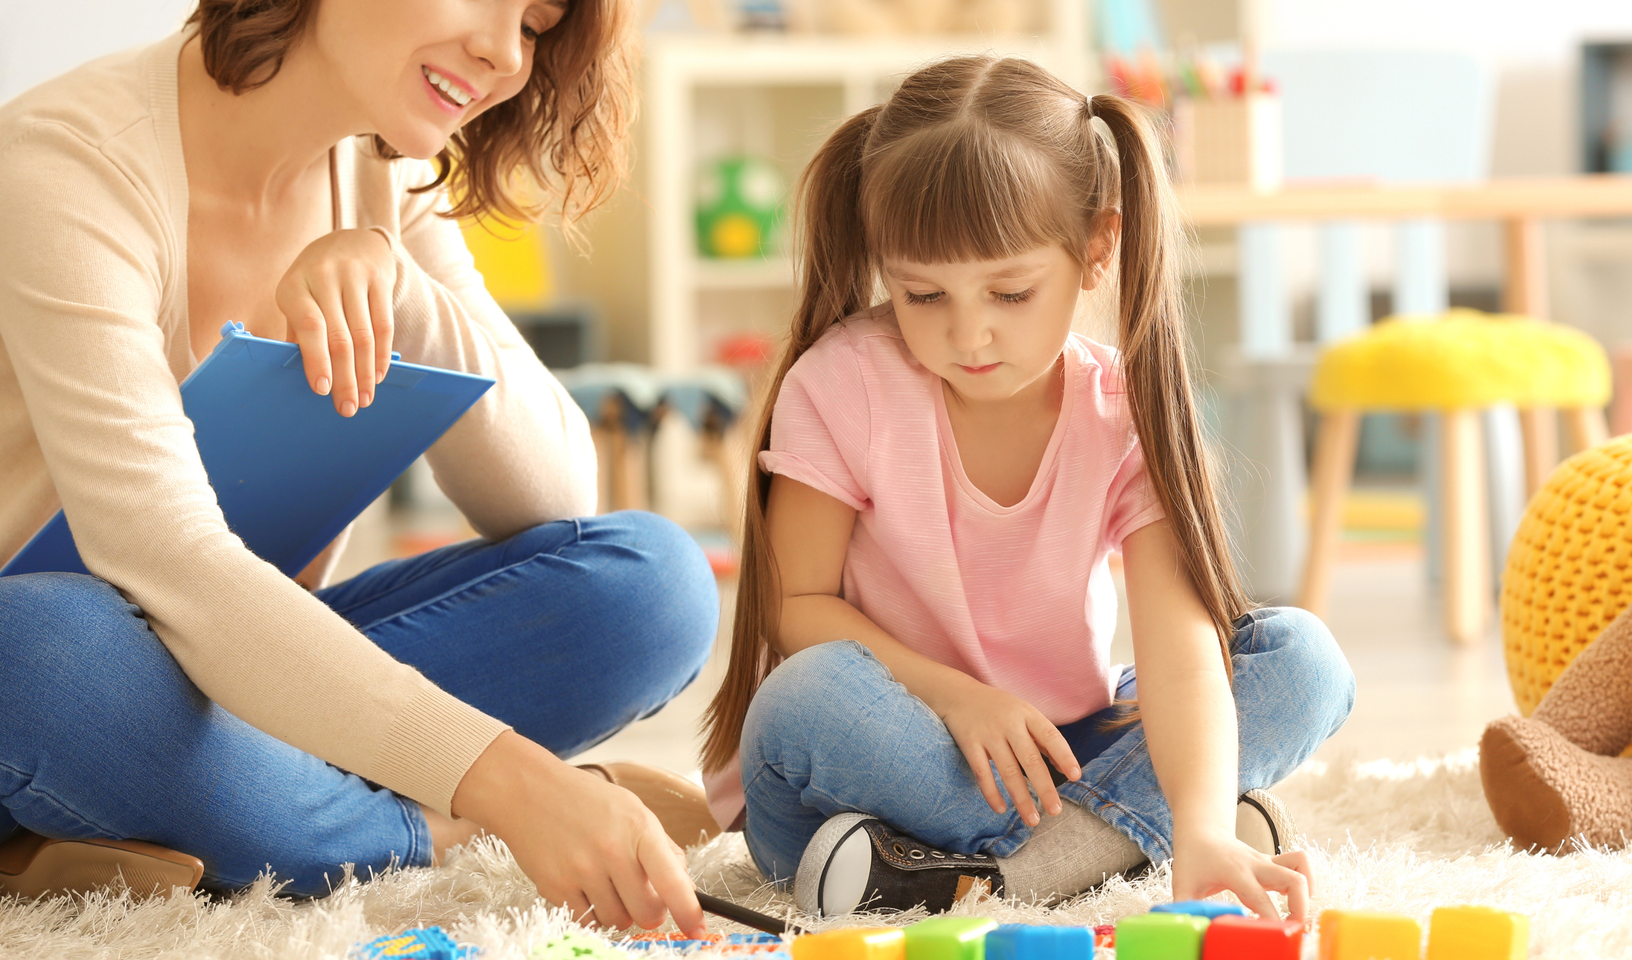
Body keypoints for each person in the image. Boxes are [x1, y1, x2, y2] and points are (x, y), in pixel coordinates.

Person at [0, 0, 719, 935]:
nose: (504, 54)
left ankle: (249, 817)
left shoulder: (387, 168)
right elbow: (168, 563)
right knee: (37, 650)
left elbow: (552, 497)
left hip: (235, 677)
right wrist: (511, 785)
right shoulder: (65, 165)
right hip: (65, 673)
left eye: (535, 26)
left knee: (651, 587)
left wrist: (403, 288)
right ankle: (438, 833)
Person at [697, 55, 1357, 920]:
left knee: (1300, 661)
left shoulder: (1124, 409)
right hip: (896, 754)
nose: (967, 333)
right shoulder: (844, 381)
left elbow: (1181, 649)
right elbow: (799, 606)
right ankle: (1113, 847)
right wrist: (958, 697)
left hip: (1059, 751)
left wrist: (1202, 828)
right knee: (800, 703)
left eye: (1009, 292)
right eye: (921, 293)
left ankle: (996, 875)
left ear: (1096, 249)